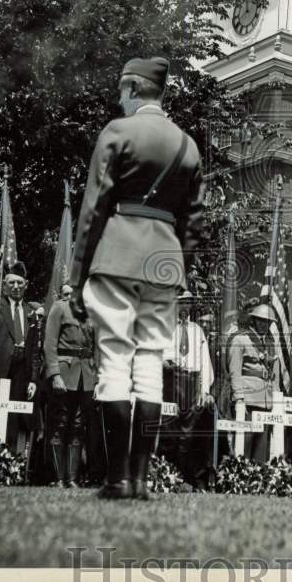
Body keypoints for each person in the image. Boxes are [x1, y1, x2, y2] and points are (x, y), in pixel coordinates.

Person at [69, 55, 204, 501]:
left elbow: (93, 210)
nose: (118, 98)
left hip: (117, 255)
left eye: (120, 91)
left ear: (130, 89)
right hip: (164, 263)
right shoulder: (188, 145)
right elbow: (195, 220)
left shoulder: (118, 131)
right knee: (149, 365)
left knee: (113, 361)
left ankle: (118, 478)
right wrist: (177, 265)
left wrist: (75, 277)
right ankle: (143, 481)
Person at [0, 261, 38, 449]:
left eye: (20, 283)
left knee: (13, 420)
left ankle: (9, 466)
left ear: (26, 285)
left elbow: (35, 350)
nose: (16, 287)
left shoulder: (30, 313)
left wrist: (33, 379)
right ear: (4, 286)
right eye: (11, 283)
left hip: (20, 375)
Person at [43, 283, 96, 487]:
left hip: (87, 376)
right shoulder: (60, 307)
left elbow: (97, 348)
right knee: (61, 424)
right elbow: (50, 344)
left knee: (77, 426)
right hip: (65, 373)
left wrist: (97, 379)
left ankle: (72, 478)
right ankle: (58, 478)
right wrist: (55, 374)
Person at [160, 292, 215, 487]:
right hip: (171, 381)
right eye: (181, 303)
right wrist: (165, 363)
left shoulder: (197, 331)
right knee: (169, 430)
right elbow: (157, 353)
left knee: (190, 433)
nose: (184, 307)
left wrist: (204, 389)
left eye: (188, 303)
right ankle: (166, 477)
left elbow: (204, 362)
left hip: (191, 383)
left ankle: (188, 478)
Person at [227, 304, 283, 462]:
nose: (263, 324)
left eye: (267, 322)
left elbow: (275, 375)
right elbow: (235, 371)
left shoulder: (271, 344)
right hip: (248, 400)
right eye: (260, 321)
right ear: (253, 321)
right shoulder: (241, 339)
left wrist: (276, 402)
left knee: (261, 450)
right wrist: (239, 398)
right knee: (243, 446)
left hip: (266, 401)